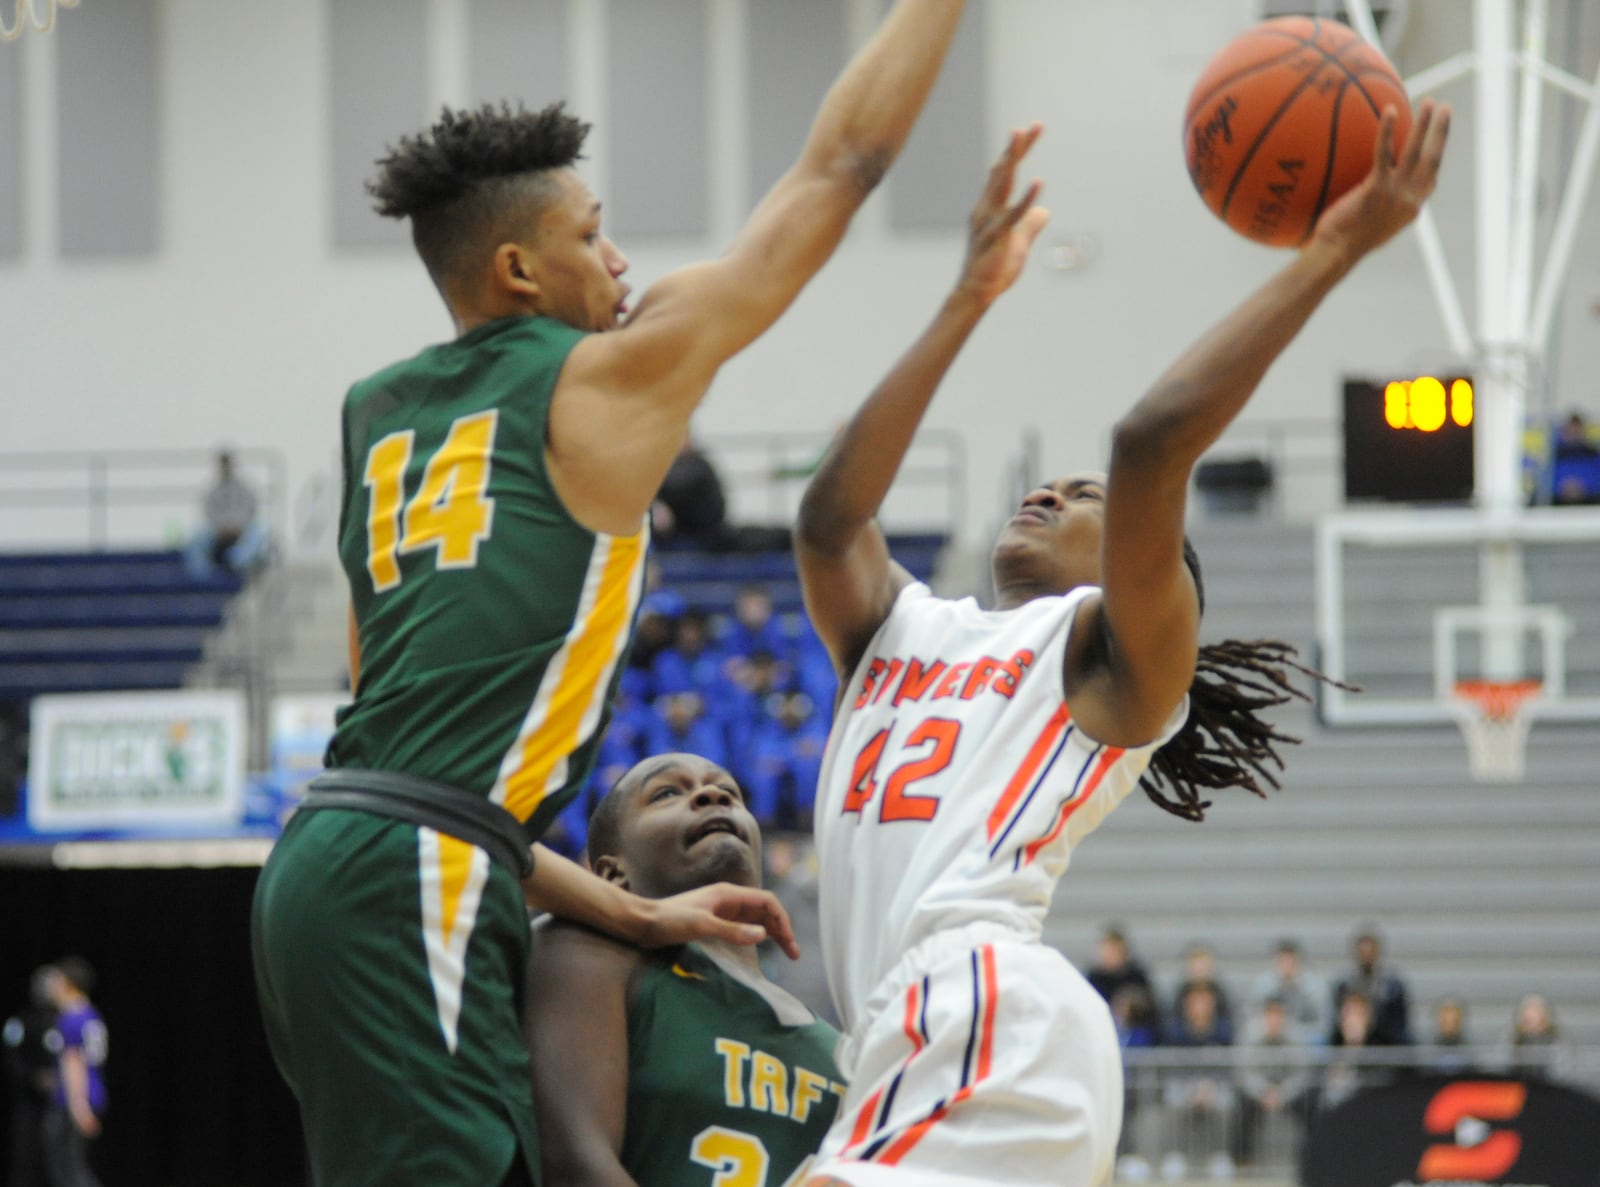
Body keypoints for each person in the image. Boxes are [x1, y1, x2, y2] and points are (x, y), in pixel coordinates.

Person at [250, 6, 974, 1186]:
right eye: (594, 234)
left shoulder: (376, 412)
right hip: (414, 873)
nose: (621, 260)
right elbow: (841, 168)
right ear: (520, 267)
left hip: (343, 856)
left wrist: (636, 916)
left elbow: (410, 748)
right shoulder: (593, 381)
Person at [795, 99, 1451, 1187]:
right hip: (898, 1025)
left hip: (977, 1001)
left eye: (1085, 494)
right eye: (1049, 481)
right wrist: (963, 300)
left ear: (1143, 571)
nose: (1049, 488)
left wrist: (1332, 250)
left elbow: (1149, 442)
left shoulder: (1107, 661)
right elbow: (827, 516)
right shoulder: (903, 624)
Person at [525, 753, 846, 1186]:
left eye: (730, 793)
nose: (711, 795)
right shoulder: (584, 949)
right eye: (667, 793)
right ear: (611, 875)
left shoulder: (842, 1049)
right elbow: (569, 1162)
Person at [39, 959, 107, 1187]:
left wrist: (78, 1105)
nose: (51, 986)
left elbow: (74, 1062)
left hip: (73, 1101)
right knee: (71, 1167)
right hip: (88, 1095)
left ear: (69, 983)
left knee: (69, 1170)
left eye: (57, 980)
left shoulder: (72, 1018)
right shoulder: (90, 1014)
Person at [3, 966, 60, 1187]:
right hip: (27, 1104)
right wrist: (34, 1078)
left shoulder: (64, 1021)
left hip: (59, 1104)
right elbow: (10, 1058)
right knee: (26, 1156)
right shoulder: (21, 1022)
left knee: (59, 1159)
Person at [184, 449, 270, 577]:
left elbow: (250, 511)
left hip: (241, 530)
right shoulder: (212, 491)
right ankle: (201, 578)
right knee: (197, 536)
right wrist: (221, 528)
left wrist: (237, 527)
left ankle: (238, 564)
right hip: (218, 531)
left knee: (261, 530)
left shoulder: (245, 489)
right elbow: (209, 513)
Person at [1331, 927, 1411, 1046]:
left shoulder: (1392, 986)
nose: (1366, 956)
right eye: (1363, 952)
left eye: (1370, 951)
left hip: (1385, 1039)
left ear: (1377, 952)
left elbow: (1399, 1021)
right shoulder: (1345, 985)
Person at [1246, 939, 1327, 1046]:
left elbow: (1322, 1025)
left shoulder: (1314, 988)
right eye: (1282, 961)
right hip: (1266, 1034)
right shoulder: (1263, 986)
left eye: (1291, 962)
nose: (1286, 967)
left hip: (1301, 1038)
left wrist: (1290, 1031)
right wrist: (1270, 1026)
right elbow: (1250, 1019)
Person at [652, 439, 730, 547]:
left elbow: (677, 484)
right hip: (677, 537)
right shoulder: (665, 467)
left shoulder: (699, 466)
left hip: (703, 538)